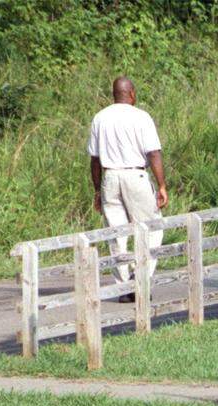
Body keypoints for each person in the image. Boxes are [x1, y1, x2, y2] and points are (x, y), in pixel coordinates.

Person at [87, 77, 169, 300]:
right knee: (151, 227)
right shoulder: (141, 116)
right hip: (135, 174)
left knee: (116, 232)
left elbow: (94, 160)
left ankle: (123, 286)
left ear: (114, 94)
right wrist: (161, 185)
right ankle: (141, 278)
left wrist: (97, 190)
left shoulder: (100, 118)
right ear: (131, 93)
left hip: (110, 176)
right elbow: (153, 153)